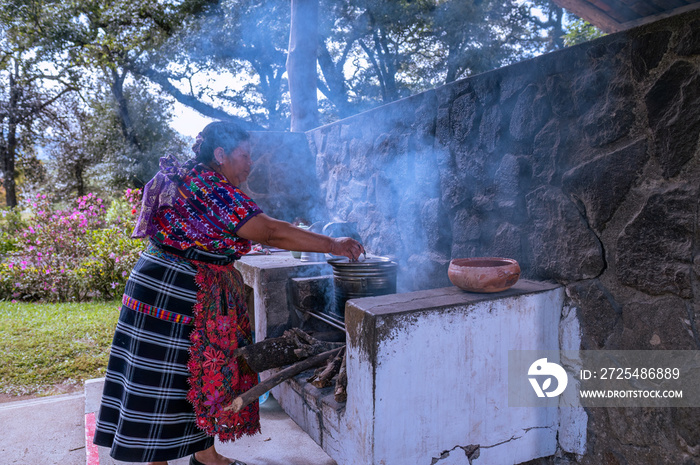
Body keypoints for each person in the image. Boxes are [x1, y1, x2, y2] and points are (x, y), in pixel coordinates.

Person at [93, 121, 364, 465]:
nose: (250, 164)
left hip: (159, 281)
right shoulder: (212, 188)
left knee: (186, 378)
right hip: (176, 290)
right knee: (172, 380)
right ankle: (165, 461)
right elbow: (268, 231)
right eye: (244, 156)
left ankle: (206, 457)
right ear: (220, 155)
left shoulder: (196, 179)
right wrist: (332, 244)